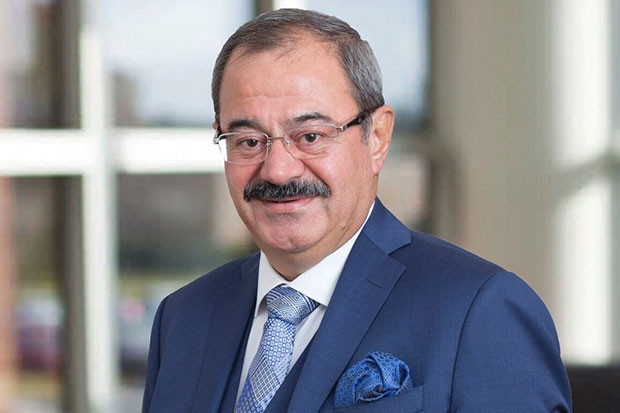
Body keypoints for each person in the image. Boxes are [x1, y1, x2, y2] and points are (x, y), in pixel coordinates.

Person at [142, 8, 571, 412]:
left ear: (377, 138)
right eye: (249, 141)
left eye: (310, 136)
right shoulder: (182, 318)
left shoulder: (480, 311)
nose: (277, 170)